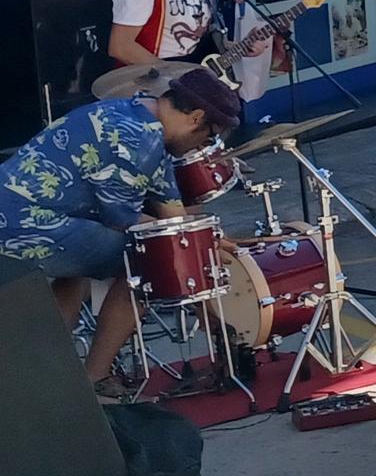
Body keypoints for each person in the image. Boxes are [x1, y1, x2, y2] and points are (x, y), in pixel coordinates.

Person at [0, 68, 241, 399]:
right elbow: (122, 220)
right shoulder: (135, 137)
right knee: (146, 262)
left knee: (81, 269)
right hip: (21, 225)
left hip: (30, 218)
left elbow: (175, 218)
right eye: (210, 136)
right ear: (196, 117)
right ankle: (94, 377)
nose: (206, 145)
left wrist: (205, 239)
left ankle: (48, 368)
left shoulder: (139, 115)